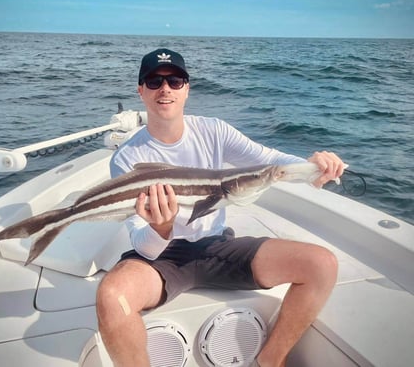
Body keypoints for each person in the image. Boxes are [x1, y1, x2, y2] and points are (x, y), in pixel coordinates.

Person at [96, 48, 344, 367]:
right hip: (162, 256)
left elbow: (268, 161)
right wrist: (161, 228)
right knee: (111, 297)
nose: (165, 89)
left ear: (187, 88)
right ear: (140, 90)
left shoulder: (214, 130)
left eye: (175, 80)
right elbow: (141, 243)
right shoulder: (127, 158)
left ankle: (270, 360)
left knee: (321, 264)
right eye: (154, 81)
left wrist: (313, 166)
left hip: (217, 245)